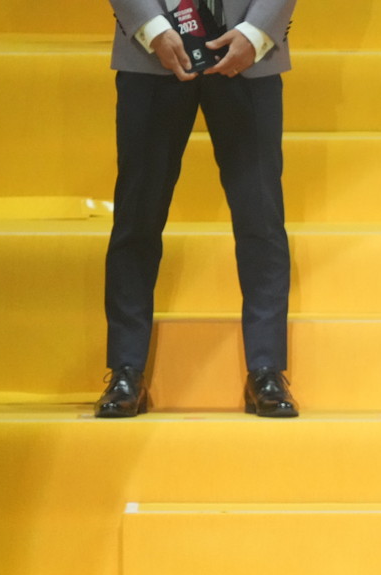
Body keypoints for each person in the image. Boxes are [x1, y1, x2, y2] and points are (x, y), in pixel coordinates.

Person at [96, 0, 299, 418]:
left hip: (249, 54)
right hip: (150, 54)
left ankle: (266, 369)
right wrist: (150, 27)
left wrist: (257, 31)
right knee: (137, 218)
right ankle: (125, 370)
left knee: (261, 219)